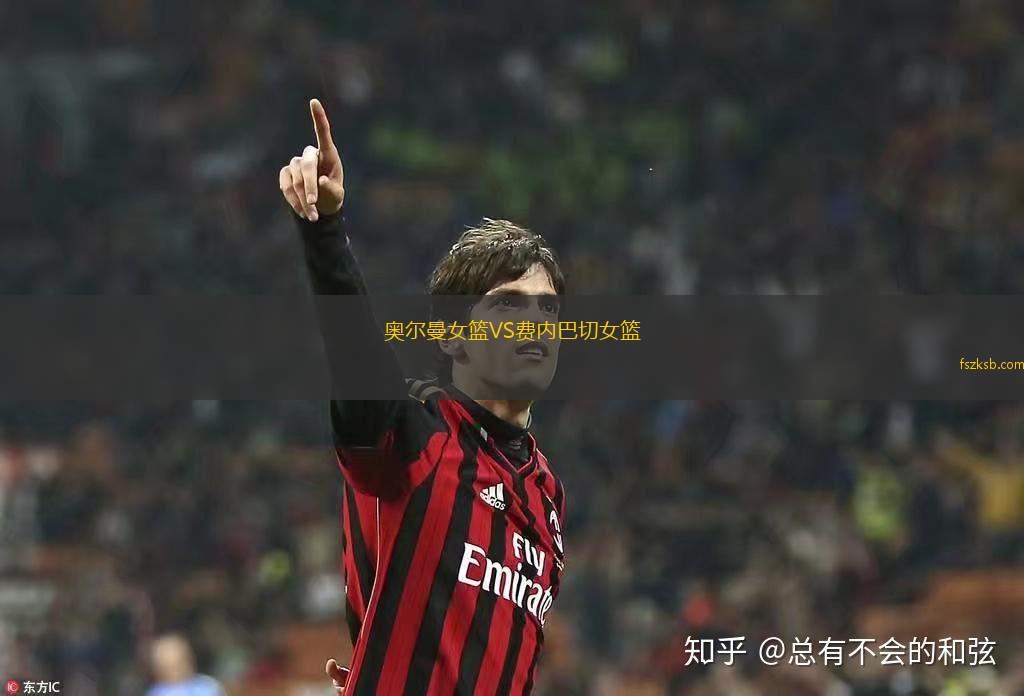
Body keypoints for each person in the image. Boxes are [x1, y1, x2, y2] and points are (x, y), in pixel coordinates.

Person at [280, 99, 567, 695]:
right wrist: (324, 230)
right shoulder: (418, 432)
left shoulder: (546, 492)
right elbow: (357, 358)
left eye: (548, 309)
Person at [144, 634, 225, 696]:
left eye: (178, 664)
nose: (174, 671)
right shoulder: (156, 693)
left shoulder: (207, 687)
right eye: (168, 667)